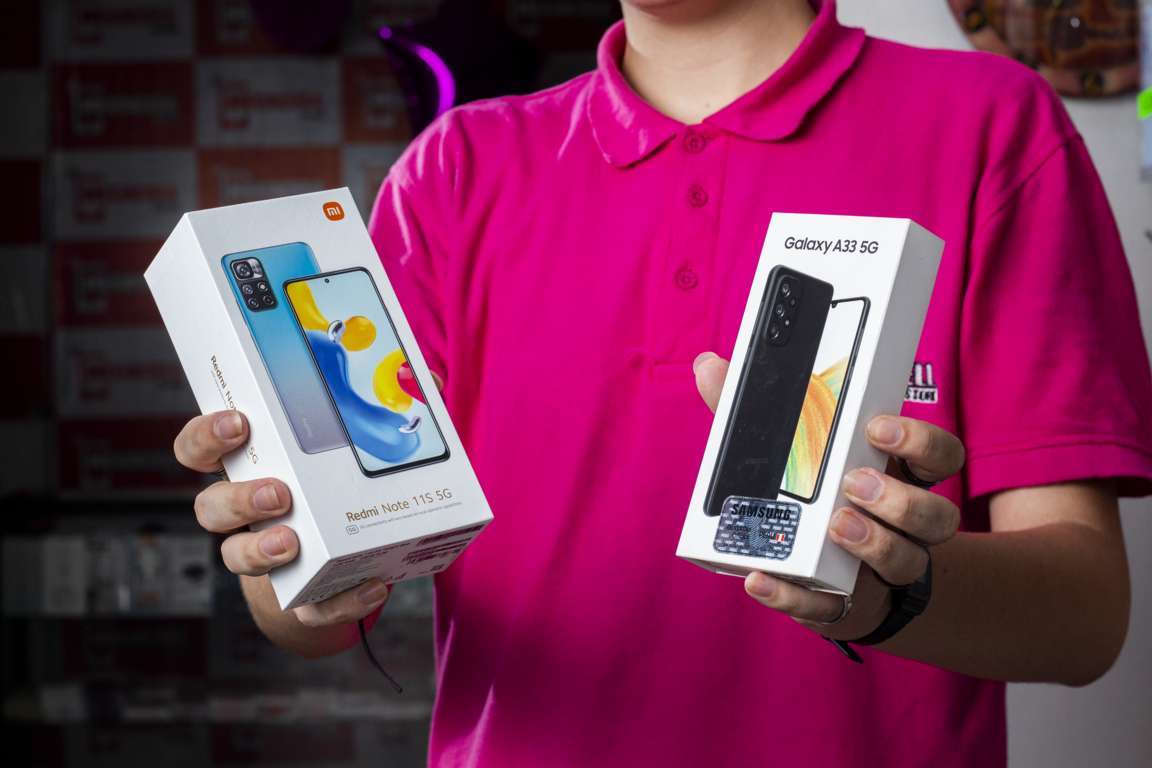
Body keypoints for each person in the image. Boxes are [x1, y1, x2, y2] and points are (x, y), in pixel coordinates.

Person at [173, 1, 1152, 765]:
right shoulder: (453, 172)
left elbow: (1083, 621)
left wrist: (887, 590)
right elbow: (322, 612)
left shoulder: (989, 124)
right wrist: (283, 558)